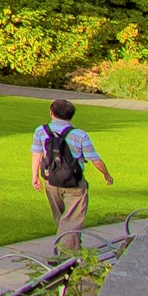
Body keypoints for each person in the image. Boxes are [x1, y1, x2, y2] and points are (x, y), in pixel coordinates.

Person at [31, 98, 112, 254]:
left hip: (51, 181)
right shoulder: (80, 135)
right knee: (72, 221)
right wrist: (106, 175)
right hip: (74, 183)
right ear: (71, 116)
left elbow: (36, 154)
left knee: (62, 219)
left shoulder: (41, 131)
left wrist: (35, 176)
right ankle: (66, 256)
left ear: (51, 113)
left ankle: (68, 249)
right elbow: (94, 159)